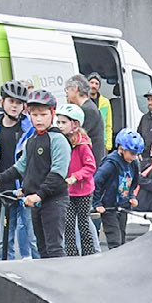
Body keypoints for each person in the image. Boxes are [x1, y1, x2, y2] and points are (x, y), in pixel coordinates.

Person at [0, 90, 71, 258]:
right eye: (34, 115)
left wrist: (39, 195)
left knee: (54, 249)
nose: (39, 119)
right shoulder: (33, 139)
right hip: (35, 201)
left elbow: (57, 174)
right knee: (42, 250)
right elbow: (21, 167)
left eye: (43, 114)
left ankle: (60, 283)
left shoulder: (58, 140)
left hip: (53, 201)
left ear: (52, 113)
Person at [0, 79, 38, 259]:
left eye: (19, 103)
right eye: (11, 101)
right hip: (3, 188)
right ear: (2, 102)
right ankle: (5, 273)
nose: (15, 106)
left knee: (32, 236)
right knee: (4, 239)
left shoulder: (29, 128)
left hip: (25, 188)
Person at [57, 102, 98, 256]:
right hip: (68, 192)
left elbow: (90, 166)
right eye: (59, 122)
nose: (60, 126)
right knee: (68, 225)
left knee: (83, 224)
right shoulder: (61, 142)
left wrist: (76, 176)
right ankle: (71, 255)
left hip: (83, 192)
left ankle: (88, 255)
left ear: (74, 124)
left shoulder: (82, 145)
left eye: (64, 122)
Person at [95, 129, 142, 248]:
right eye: (131, 153)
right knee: (115, 240)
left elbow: (134, 182)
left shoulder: (134, 163)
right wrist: (97, 203)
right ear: (121, 149)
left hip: (123, 206)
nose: (134, 157)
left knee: (122, 239)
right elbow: (96, 181)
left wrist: (131, 196)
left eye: (136, 154)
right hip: (109, 207)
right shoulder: (111, 164)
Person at [64, 75, 104, 156]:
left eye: (67, 89)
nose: (66, 93)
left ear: (75, 88)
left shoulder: (88, 110)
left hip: (89, 161)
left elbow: (76, 136)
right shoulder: (87, 107)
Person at [86, 72, 114, 153]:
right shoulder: (84, 101)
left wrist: (108, 145)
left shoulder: (105, 102)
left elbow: (108, 125)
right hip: (87, 142)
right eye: (91, 82)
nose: (94, 86)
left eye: (96, 83)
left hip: (102, 142)